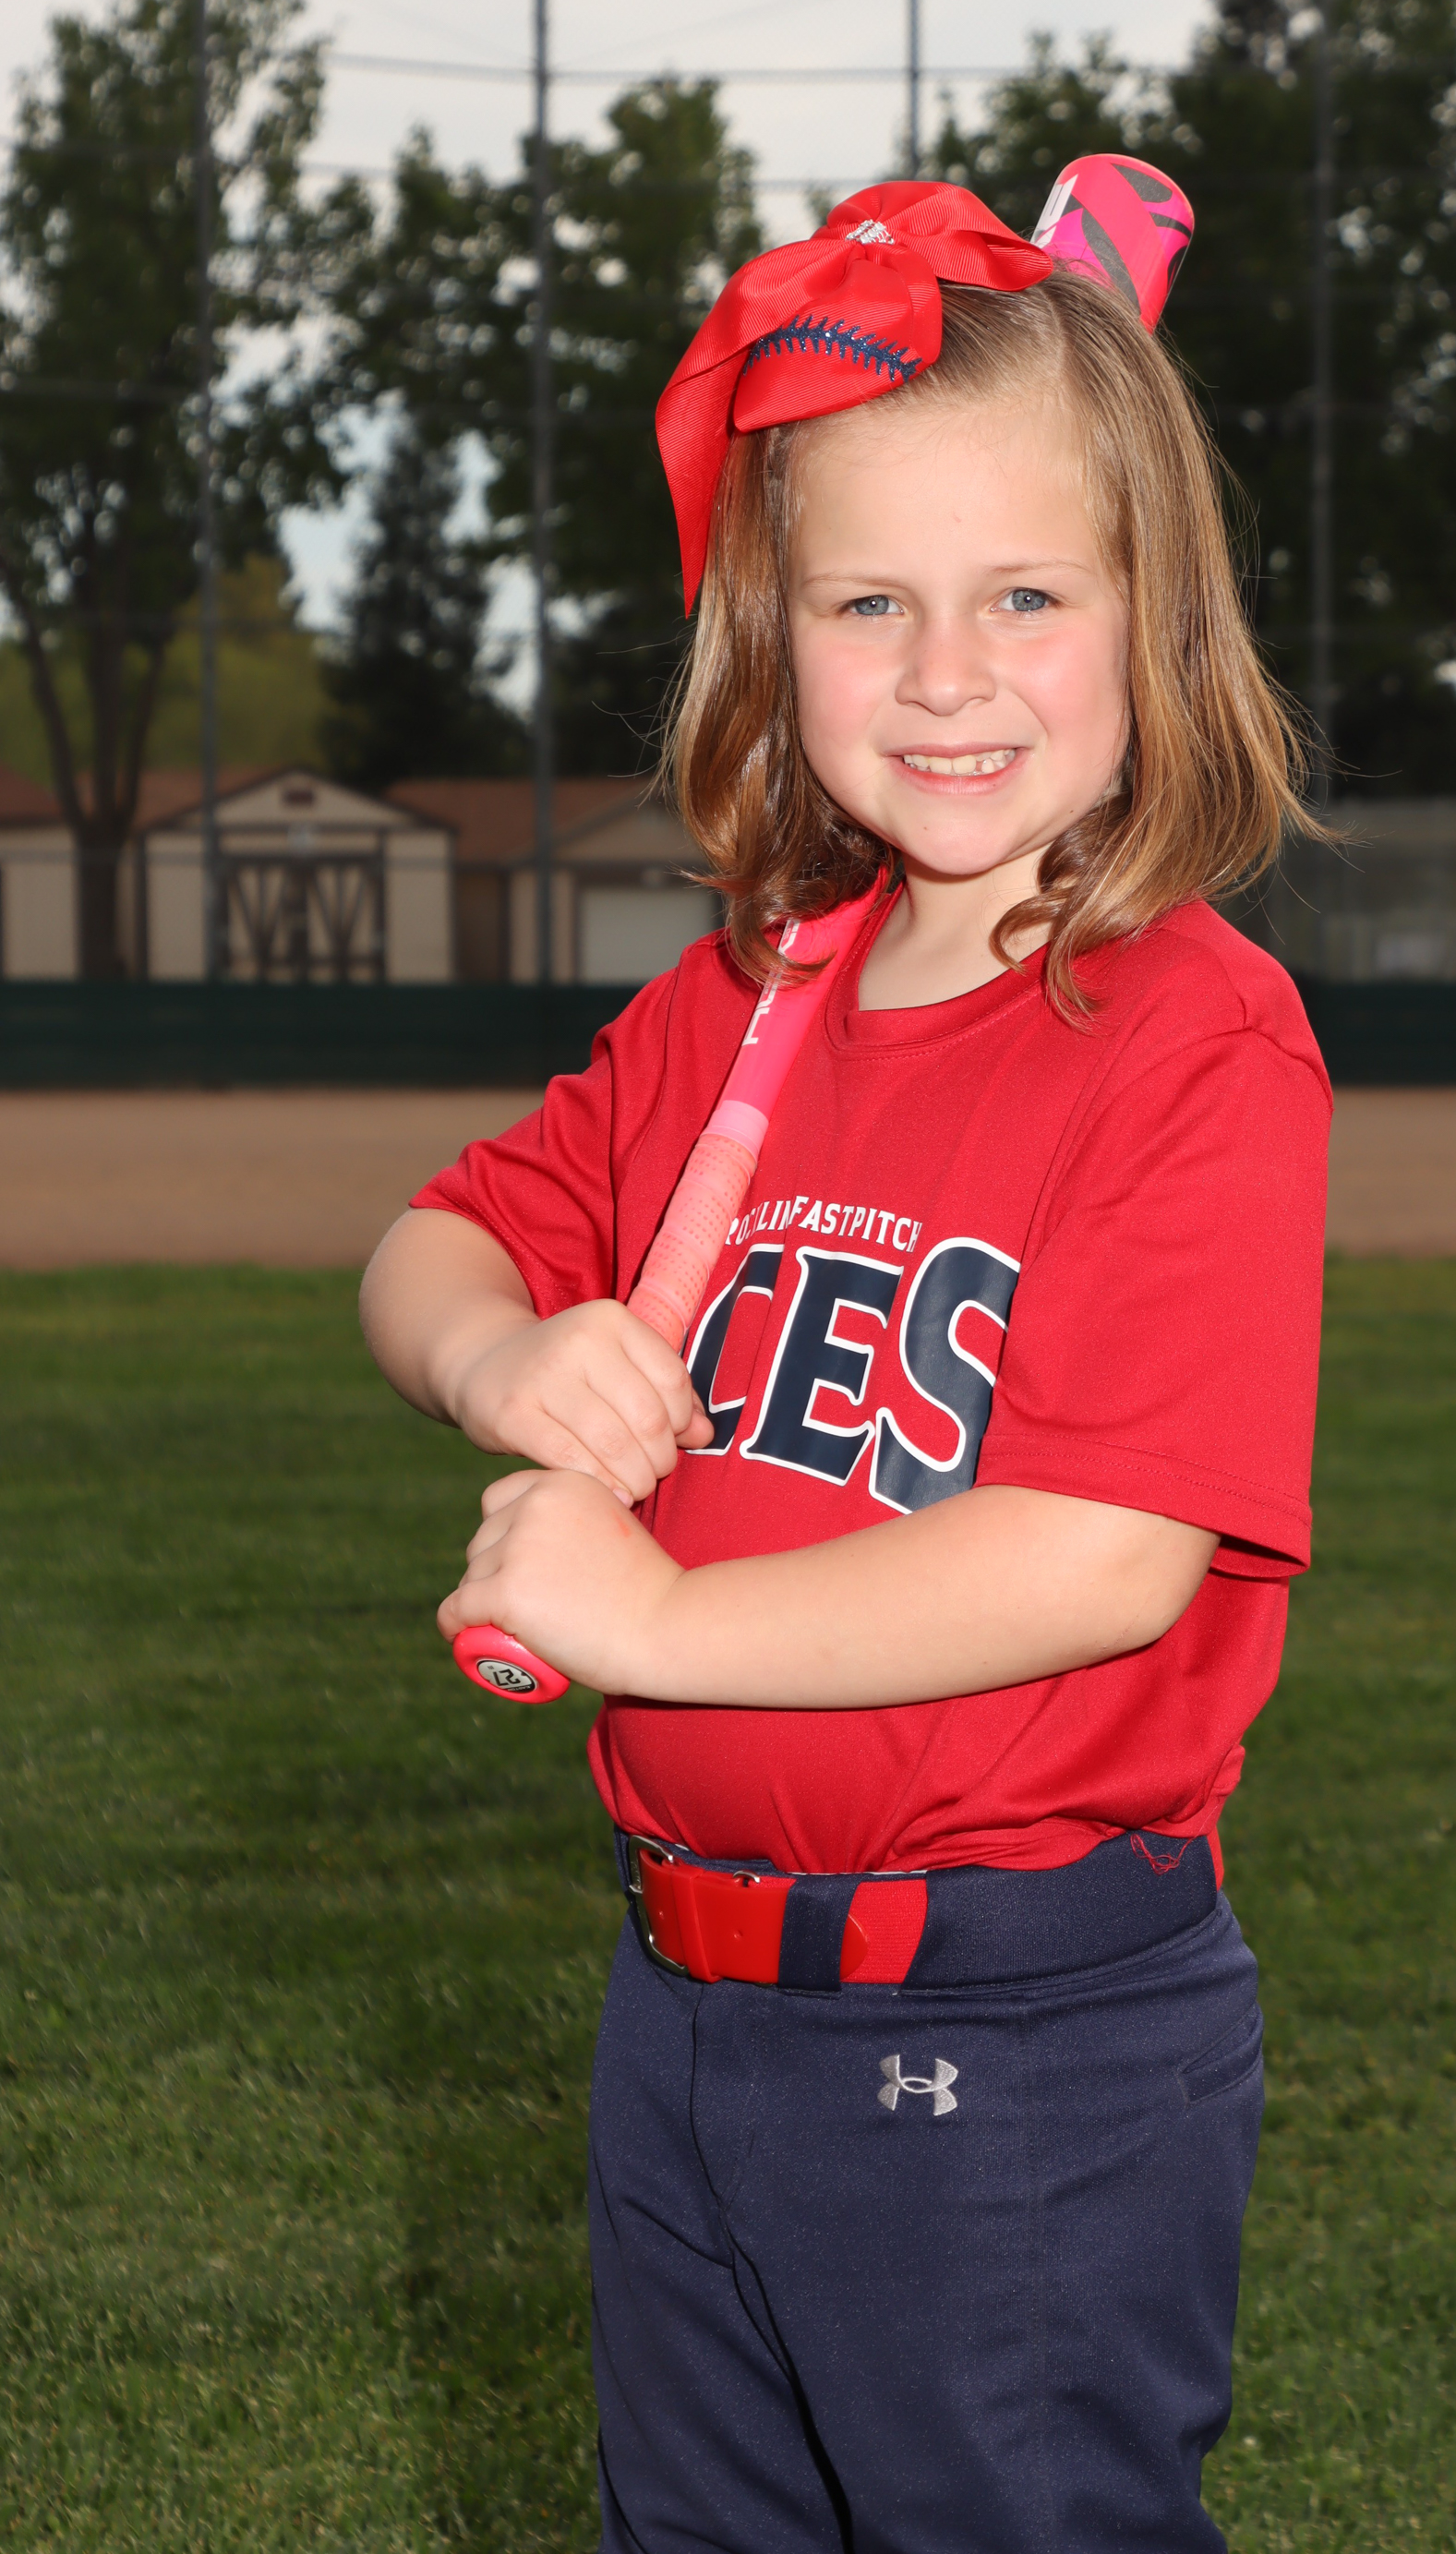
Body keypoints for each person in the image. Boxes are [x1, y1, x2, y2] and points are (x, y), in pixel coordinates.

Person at [360, 179, 1330, 2554]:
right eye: (868, 601)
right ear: (766, 637)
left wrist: (661, 1616)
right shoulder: (745, 996)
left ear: (1152, 621)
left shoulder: (1191, 1037)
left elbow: (1100, 1553)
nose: (945, 672)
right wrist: (506, 1359)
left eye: (1028, 596)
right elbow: (430, 1242)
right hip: (687, 1999)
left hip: (1010, 2030)